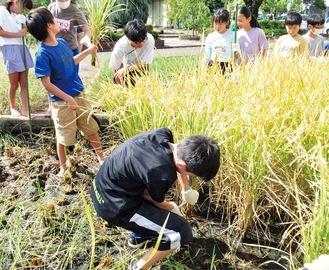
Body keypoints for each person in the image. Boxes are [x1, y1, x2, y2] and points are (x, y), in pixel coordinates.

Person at [90, 127, 220, 270]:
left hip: (102, 184)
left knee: (163, 213)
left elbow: (179, 161)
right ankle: (138, 268)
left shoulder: (163, 134)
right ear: (182, 165)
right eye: (193, 175)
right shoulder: (161, 172)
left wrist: (186, 189)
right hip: (112, 205)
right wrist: (173, 209)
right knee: (180, 232)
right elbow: (151, 198)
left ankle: (138, 237)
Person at [26, 7, 104, 176]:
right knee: (64, 137)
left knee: (90, 127)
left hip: (78, 94)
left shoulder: (61, 43)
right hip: (62, 103)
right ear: (49, 26)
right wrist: (68, 99)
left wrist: (87, 52)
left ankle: (101, 158)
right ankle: (63, 167)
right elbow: (46, 83)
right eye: (54, 19)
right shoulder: (42, 54)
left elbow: (71, 61)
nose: (57, 21)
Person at [0, 0, 34, 117]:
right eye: (23, 7)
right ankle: (13, 107)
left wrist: (25, 29)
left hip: (22, 47)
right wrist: (18, 34)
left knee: (24, 83)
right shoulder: (1, 11)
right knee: (14, 83)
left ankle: (25, 110)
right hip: (10, 47)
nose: (24, 11)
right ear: (16, 2)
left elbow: (26, 30)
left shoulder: (20, 16)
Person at [109, 19, 155, 87]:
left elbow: (145, 63)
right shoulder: (120, 47)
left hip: (141, 65)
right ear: (129, 39)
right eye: (137, 42)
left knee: (143, 87)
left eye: (143, 40)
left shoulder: (149, 39)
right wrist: (121, 84)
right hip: (124, 67)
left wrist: (128, 69)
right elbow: (115, 67)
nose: (141, 44)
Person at [204, 8, 235, 74]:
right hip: (213, 65)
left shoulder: (232, 35)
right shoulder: (210, 36)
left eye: (220, 24)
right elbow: (207, 54)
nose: (217, 26)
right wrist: (204, 67)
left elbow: (235, 54)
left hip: (227, 66)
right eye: (215, 23)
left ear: (227, 22)